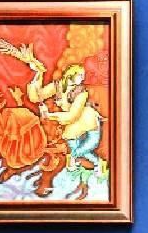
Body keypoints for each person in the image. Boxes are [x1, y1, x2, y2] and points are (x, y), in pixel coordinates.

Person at [27, 62, 104, 200]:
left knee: (86, 147)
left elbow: (71, 116)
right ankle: (97, 163)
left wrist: (49, 115)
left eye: (83, 75)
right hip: (74, 126)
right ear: (70, 75)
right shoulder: (57, 87)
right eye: (80, 75)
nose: (82, 78)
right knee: (78, 149)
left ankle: (84, 162)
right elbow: (36, 97)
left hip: (88, 121)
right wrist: (38, 74)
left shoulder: (82, 93)